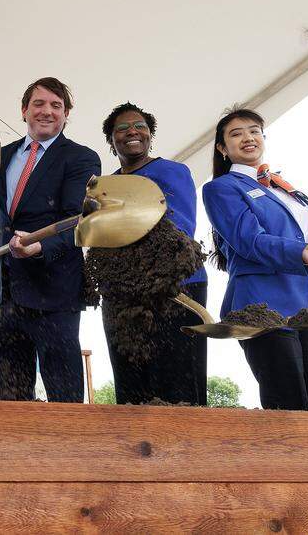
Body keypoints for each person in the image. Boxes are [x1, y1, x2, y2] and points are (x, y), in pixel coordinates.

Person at [202, 107, 308, 411]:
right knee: (288, 403)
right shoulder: (221, 189)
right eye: (236, 133)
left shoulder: (281, 186)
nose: (248, 138)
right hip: (264, 304)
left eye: (254, 130)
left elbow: (302, 235)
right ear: (222, 148)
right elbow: (248, 240)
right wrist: (300, 252)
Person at [0, 78, 99, 402]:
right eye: (39, 104)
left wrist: (40, 246)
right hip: (6, 298)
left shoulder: (81, 158)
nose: (47, 112)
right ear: (24, 110)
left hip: (55, 294)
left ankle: (70, 452)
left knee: (64, 395)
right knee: (7, 395)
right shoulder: (1, 155)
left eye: (56, 106)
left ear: (66, 114)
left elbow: (77, 220)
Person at [101, 102, 207, 405]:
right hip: (122, 291)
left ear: (150, 135)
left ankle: (185, 447)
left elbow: (178, 225)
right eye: (121, 128)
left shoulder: (171, 171)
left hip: (174, 287)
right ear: (112, 140)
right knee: (131, 380)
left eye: (140, 126)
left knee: (177, 380)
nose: (132, 131)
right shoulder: (106, 185)